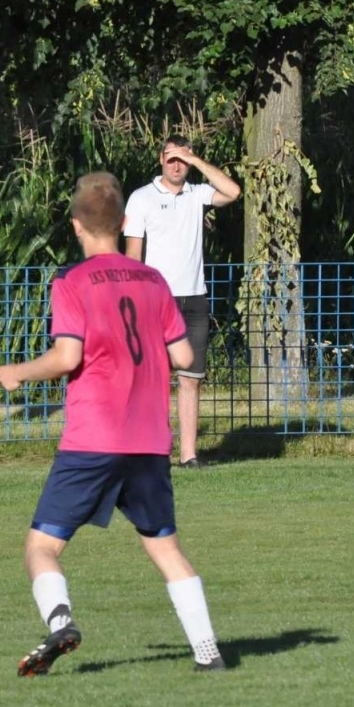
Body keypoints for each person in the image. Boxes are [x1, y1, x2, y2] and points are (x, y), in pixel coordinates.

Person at [0, 172, 226, 676]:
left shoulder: (72, 282)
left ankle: (61, 623)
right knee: (166, 548)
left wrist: (18, 372)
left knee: (42, 546)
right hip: (148, 440)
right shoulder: (153, 280)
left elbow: (67, 356)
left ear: (76, 225)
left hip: (93, 439)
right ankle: (208, 653)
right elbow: (184, 353)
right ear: (123, 222)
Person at [122, 136, 241, 469]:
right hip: (157, 301)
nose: (177, 166)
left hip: (195, 300)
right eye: (171, 158)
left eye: (183, 160)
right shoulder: (141, 199)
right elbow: (133, 255)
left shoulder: (197, 193)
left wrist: (198, 161)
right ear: (160, 159)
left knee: (191, 379)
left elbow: (233, 192)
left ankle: (189, 455)